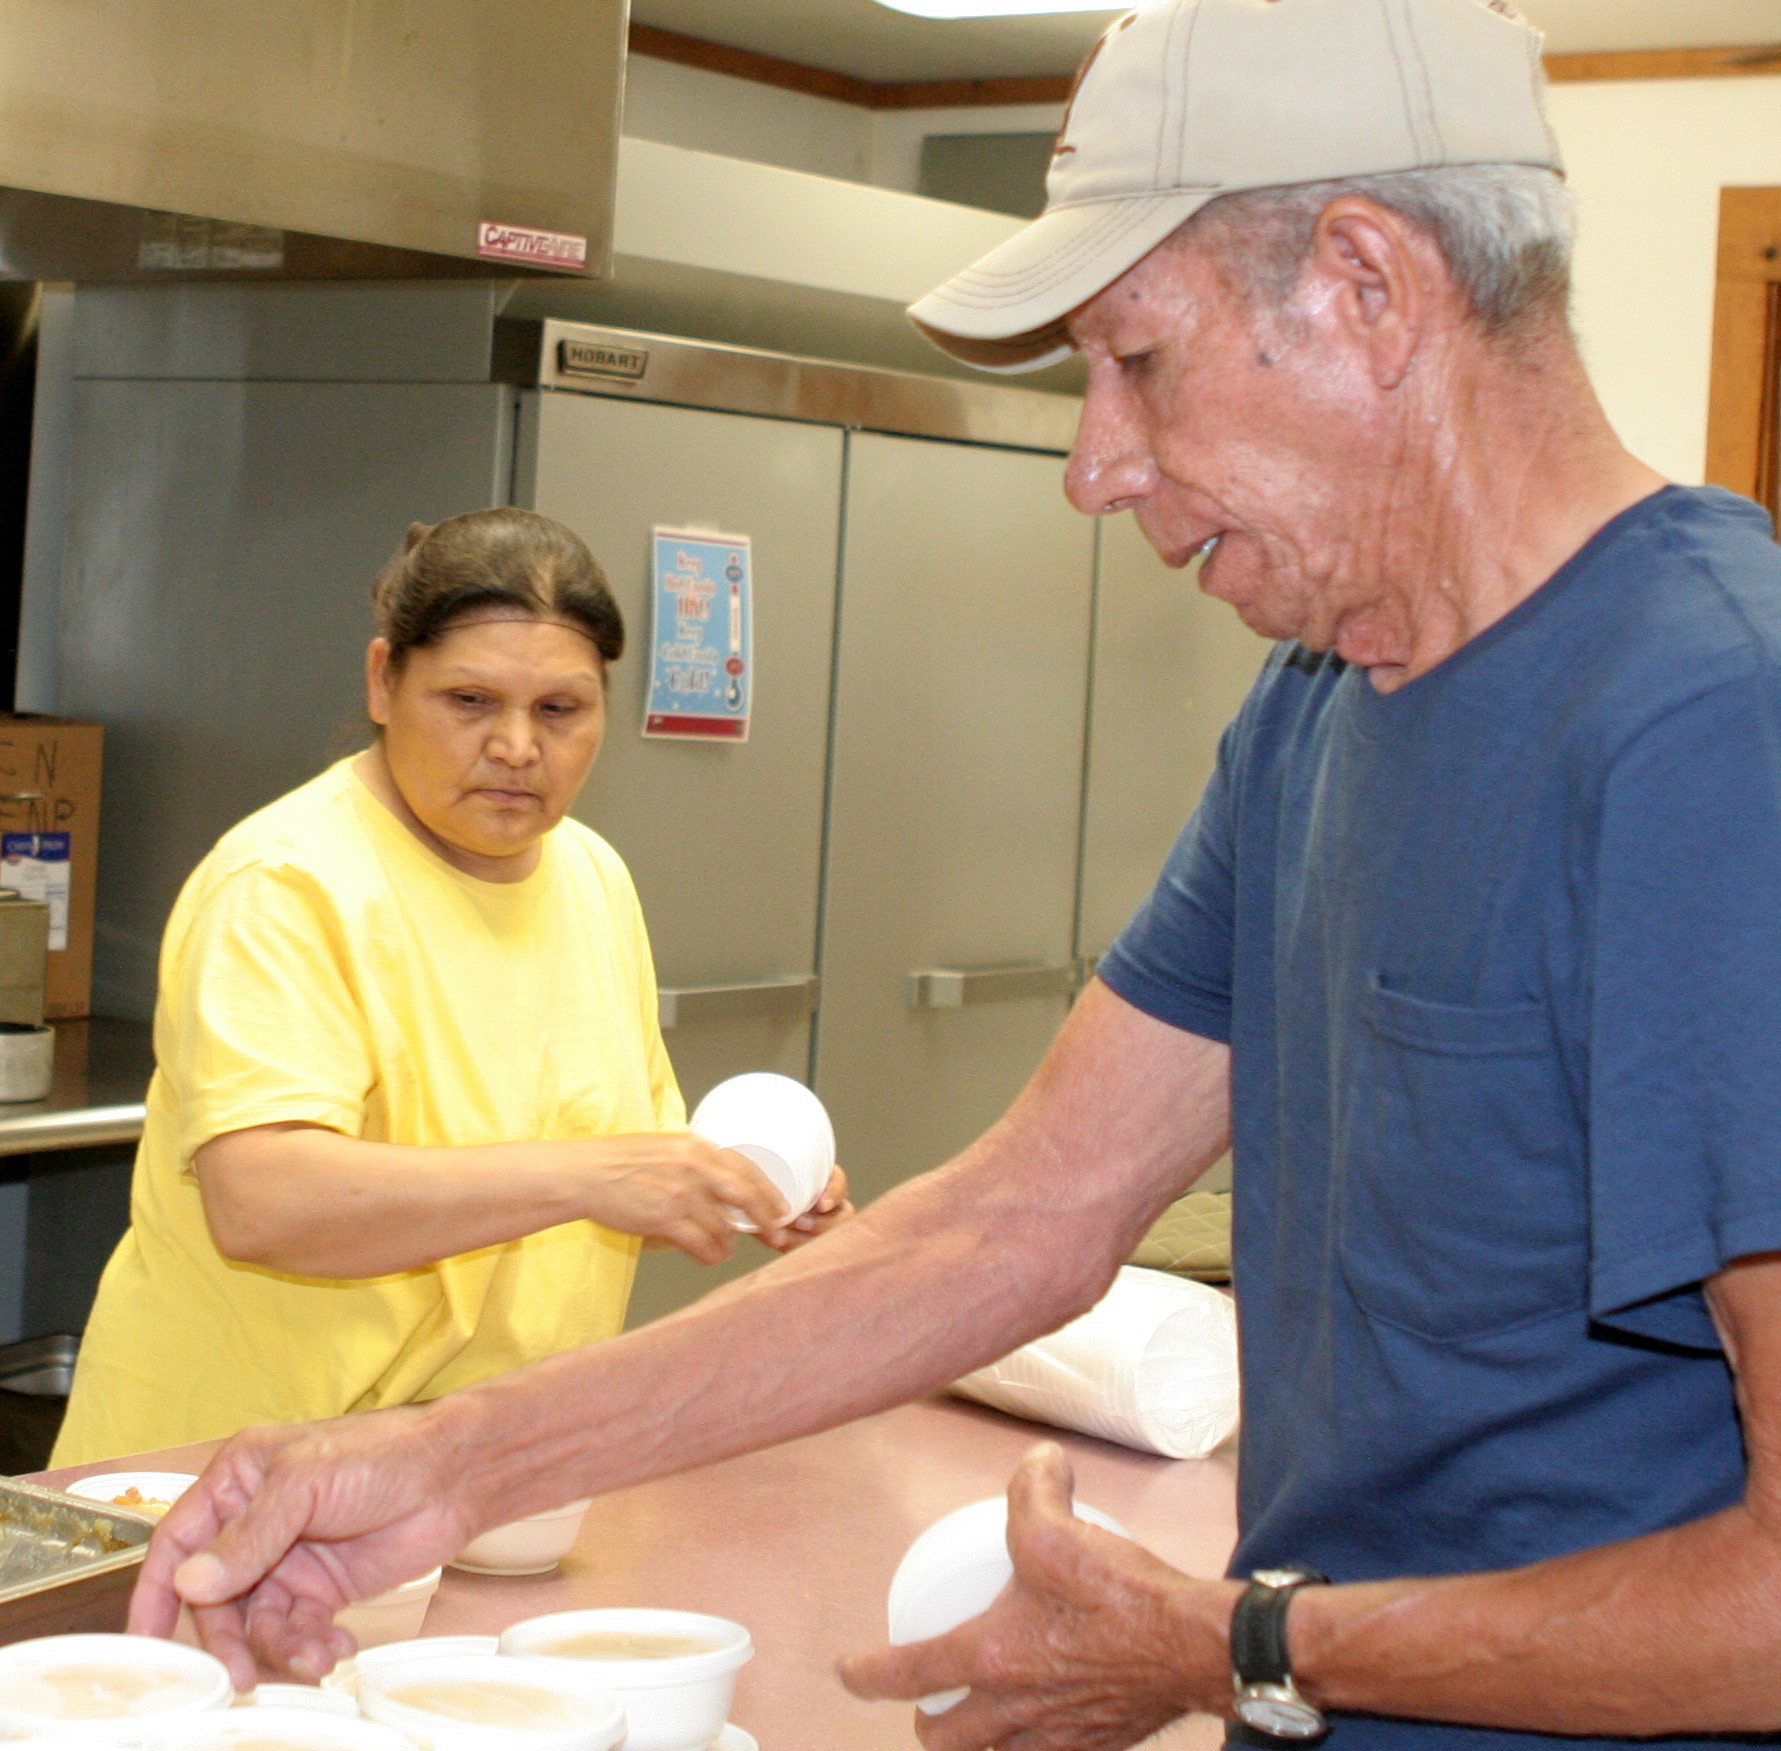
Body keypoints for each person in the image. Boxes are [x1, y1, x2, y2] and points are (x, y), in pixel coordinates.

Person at [131, 2, 1781, 1746]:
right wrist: (444, 1465)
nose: (1092, 467)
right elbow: (1018, 1217)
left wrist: (1250, 1649)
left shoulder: (1705, 728)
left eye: (1136, 361)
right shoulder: (1320, 708)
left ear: (1369, 289)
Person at [54, 508, 847, 1465]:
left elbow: (605, 1184)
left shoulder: (591, 878)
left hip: (483, 1469)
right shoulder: (289, 884)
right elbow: (264, 1201)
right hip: (230, 1468)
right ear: (384, 679)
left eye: (560, 709)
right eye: (470, 701)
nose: (517, 746)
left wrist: (724, 1185)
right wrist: (600, 1175)